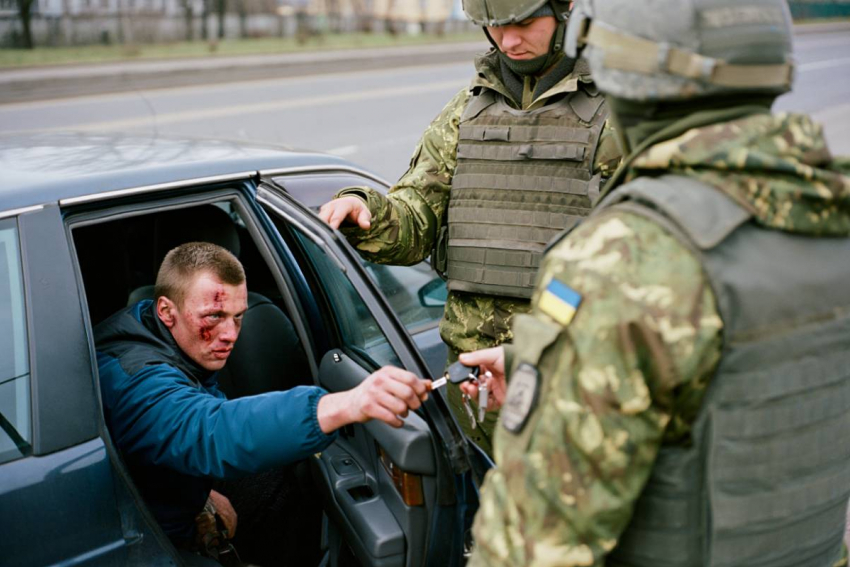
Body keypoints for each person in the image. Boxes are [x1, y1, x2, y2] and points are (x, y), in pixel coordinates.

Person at [457, 0, 850, 565]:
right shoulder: (824, 212)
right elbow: (735, 372)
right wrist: (542, 366)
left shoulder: (628, 256)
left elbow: (534, 546)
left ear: (622, 70)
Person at [318, 0, 622, 456]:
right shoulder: (467, 110)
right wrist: (367, 213)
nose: (509, 41)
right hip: (472, 380)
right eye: (494, 27)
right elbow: (417, 210)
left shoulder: (621, 112)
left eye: (522, 23)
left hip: (571, 379)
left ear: (567, 10)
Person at [95, 242, 429, 565]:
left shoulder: (147, 325)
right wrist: (344, 404)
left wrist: (199, 496)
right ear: (167, 311)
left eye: (238, 316)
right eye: (214, 316)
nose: (231, 334)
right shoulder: (136, 376)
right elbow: (208, 431)